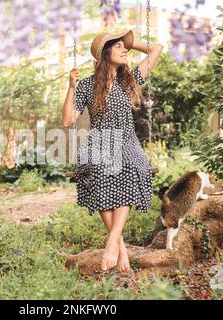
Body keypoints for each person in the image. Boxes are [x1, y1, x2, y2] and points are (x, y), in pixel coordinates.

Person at [62, 30, 164, 273]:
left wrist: (129, 42)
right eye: (117, 46)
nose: (124, 49)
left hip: (127, 142)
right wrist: (71, 87)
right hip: (99, 142)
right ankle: (121, 249)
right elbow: (68, 120)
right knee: (97, 177)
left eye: (123, 46)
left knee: (132, 167)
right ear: (104, 53)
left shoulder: (129, 82)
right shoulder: (86, 85)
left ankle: (112, 243)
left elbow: (156, 48)